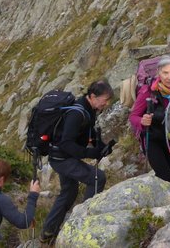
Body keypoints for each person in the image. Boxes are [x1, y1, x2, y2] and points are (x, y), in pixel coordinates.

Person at [40, 80, 114, 244]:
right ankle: (84, 221)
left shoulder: (89, 108)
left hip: (61, 157)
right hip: (62, 158)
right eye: (105, 99)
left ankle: (48, 231)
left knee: (69, 192)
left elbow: (88, 132)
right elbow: (66, 143)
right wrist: (90, 152)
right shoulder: (77, 113)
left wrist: (100, 147)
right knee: (97, 178)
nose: (106, 103)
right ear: (93, 96)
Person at [128, 57, 170, 184]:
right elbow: (133, 116)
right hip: (153, 140)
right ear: (158, 72)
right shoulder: (148, 91)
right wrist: (142, 121)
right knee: (164, 175)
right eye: (165, 73)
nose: (169, 77)